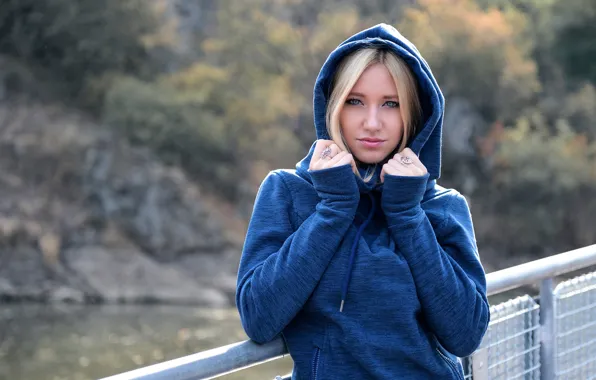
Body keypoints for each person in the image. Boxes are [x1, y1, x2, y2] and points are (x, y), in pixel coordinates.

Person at [235, 23, 490, 379]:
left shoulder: (443, 206)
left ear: (414, 115)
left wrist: (407, 214)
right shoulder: (288, 191)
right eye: (355, 101)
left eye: (391, 104)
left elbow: (466, 334)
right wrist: (333, 208)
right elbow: (259, 319)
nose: (372, 123)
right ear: (334, 107)